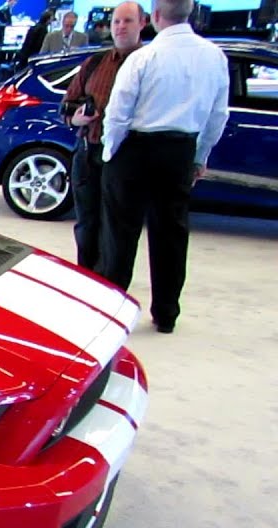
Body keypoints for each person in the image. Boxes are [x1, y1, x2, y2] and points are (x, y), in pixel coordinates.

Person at [99, 0, 230, 333]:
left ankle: (113, 311)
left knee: (120, 233)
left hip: (136, 149)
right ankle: (166, 314)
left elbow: (118, 112)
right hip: (180, 149)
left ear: (154, 17)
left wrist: (110, 152)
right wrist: (199, 157)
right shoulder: (214, 57)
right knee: (171, 234)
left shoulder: (144, 57)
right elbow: (218, 116)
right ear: (192, 13)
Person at [60, 2, 146, 272]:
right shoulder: (95, 63)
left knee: (117, 229)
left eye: (128, 21)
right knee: (86, 225)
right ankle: (86, 280)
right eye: (116, 21)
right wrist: (76, 118)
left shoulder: (149, 65)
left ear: (143, 23)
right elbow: (67, 105)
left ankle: (111, 288)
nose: (120, 27)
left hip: (125, 156)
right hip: (88, 152)